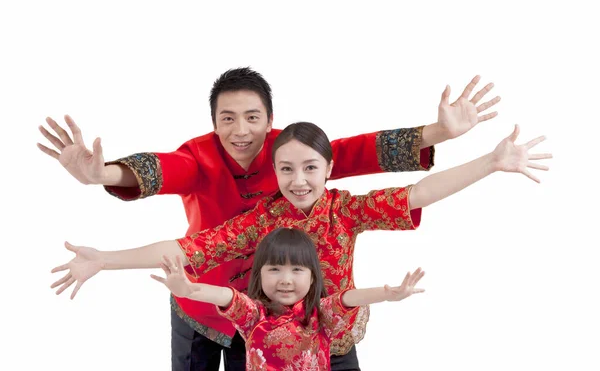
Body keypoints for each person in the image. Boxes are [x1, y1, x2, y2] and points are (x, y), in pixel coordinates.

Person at [50, 120, 550, 370]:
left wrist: (489, 162)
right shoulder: (261, 219)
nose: (298, 179)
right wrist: (105, 259)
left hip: (336, 347)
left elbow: (419, 193)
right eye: (286, 169)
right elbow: (189, 248)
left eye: (310, 167)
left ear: (329, 170)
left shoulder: (346, 210)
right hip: (270, 351)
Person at [151, 228, 425, 371]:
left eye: (297, 270)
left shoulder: (320, 314)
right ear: (260, 275)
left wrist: (388, 294)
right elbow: (226, 295)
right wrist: (188, 290)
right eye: (274, 269)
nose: (285, 279)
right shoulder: (254, 315)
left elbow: (348, 298)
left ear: (312, 278)